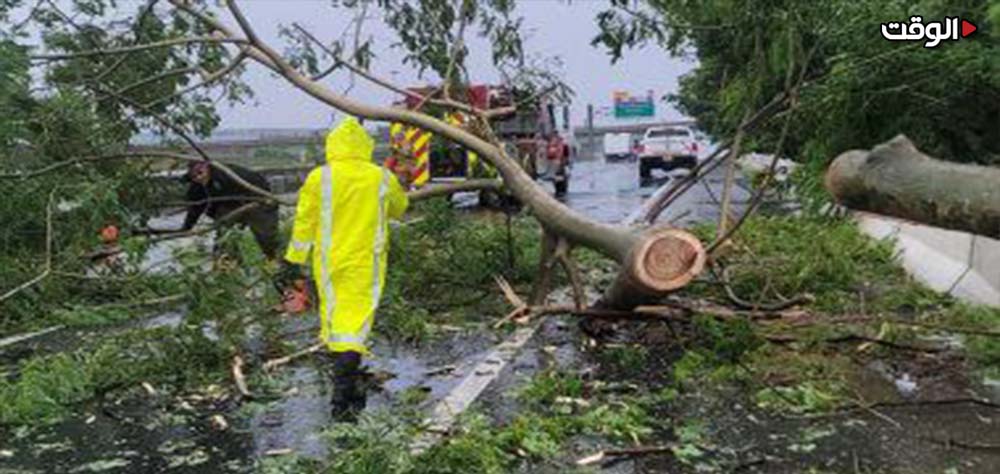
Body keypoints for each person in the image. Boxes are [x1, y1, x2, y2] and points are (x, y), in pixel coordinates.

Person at [281, 117, 410, 422]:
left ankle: (345, 382)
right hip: (366, 262)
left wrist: (293, 261)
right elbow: (399, 208)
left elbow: (304, 222)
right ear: (365, 146)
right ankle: (344, 392)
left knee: (335, 318)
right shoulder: (381, 177)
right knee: (355, 321)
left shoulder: (319, 177)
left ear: (333, 145)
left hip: (328, 262)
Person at [181, 161, 280, 261]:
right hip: (229, 205)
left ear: (207, 167)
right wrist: (187, 227)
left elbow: (260, 184)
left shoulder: (228, 173)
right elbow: (195, 208)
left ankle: (275, 261)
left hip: (257, 201)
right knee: (224, 238)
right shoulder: (196, 187)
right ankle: (229, 266)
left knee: (267, 237)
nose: (198, 178)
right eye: (194, 176)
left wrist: (264, 200)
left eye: (200, 173)